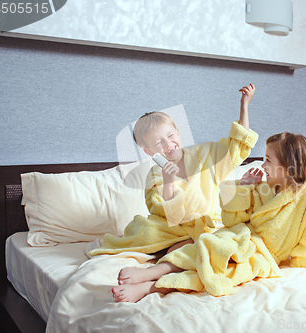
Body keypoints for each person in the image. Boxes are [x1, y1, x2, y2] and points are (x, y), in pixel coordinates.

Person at [112, 131, 306, 302]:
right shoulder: (267, 187)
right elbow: (232, 220)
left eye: (268, 160)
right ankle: (152, 271)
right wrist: (245, 187)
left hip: (262, 254)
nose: (262, 165)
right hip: (239, 236)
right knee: (205, 245)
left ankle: (149, 287)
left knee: (218, 269)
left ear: (287, 165)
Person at [89, 84, 259, 261]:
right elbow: (164, 213)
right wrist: (168, 181)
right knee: (147, 232)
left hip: (205, 225)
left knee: (232, 234)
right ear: (149, 151)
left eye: (170, 136)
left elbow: (236, 145)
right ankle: (172, 249)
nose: (168, 144)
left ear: (178, 132)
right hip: (174, 228)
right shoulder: (156, 173)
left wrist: (244, 105)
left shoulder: (204, 154)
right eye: (159, 143)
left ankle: (177, 250)